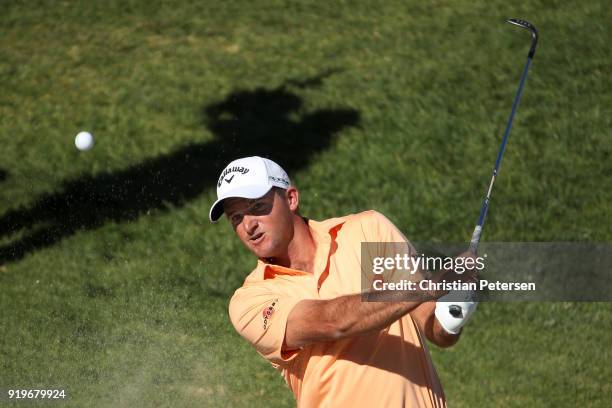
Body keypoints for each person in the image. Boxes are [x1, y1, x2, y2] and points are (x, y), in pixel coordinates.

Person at [209, 156, 478, 407]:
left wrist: (454, 309)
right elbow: (330, 322)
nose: (248, 226)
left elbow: (433, 328)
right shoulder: (250, 301)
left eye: (257, 207)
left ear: (291, 198)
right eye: (236, 217)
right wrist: (429, 287)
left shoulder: (367, 230)